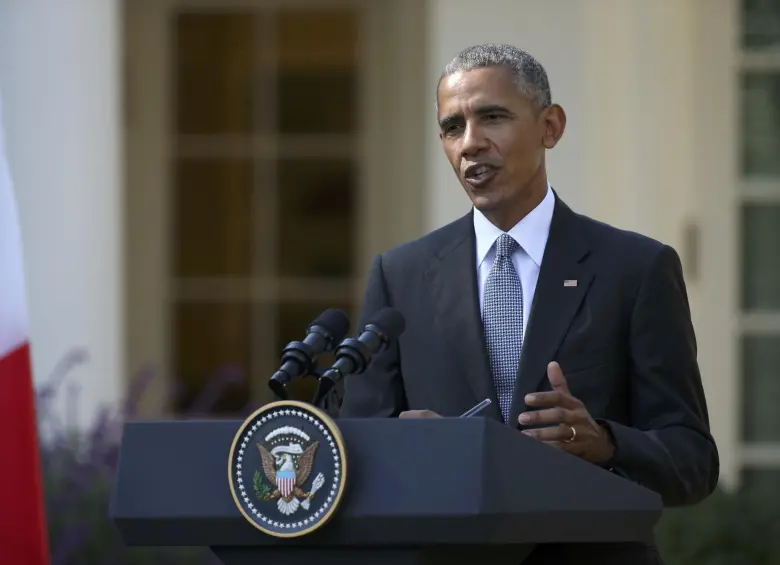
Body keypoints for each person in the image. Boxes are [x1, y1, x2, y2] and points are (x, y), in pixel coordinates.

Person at [338, 43, 718, 564]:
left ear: (550, 127)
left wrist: (605, 442)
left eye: (492, 117)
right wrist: (407, 451)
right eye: (452, 128)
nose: (471, 143)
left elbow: (693, 463)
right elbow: (359, 455)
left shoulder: (635, 268)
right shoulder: (400, 276)